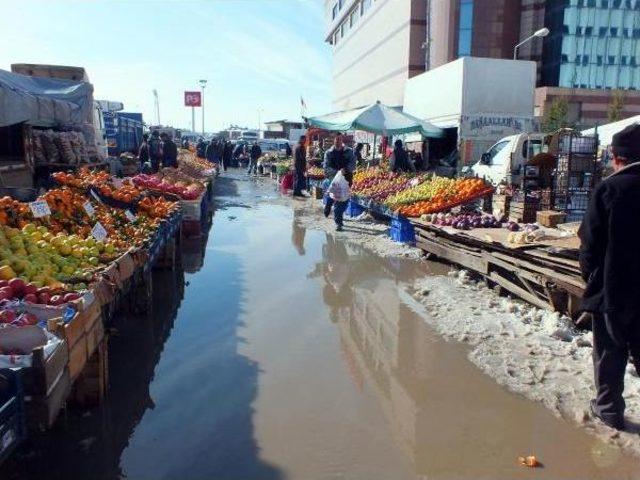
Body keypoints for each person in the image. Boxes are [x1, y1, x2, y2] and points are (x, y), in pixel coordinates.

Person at [579, 123, 640, 431]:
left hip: (614, 288)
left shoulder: (609, 189)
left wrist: (590, 276)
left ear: (617, 157)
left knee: (610, 351)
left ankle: (609, 410)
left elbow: (590, 243)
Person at [323, 134, 354, 231]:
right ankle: (338, 222)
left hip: (346, 180)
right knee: (337, 199)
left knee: (343, 201)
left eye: (339, 140)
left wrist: (346, 169)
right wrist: (337, 172)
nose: (337, 141)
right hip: (334, 181)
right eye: (336, 140)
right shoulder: (329, 153)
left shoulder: (349, 151)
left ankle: (330, 205)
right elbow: (326, 167)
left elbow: (353, 164)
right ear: (334, 141)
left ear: (342, 140)